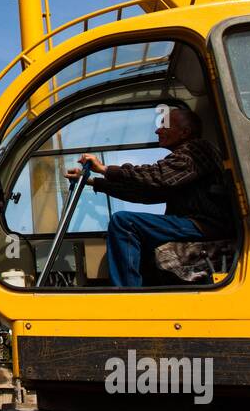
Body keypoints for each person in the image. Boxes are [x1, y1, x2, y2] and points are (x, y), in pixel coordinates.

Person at [67, 104, 232, 289]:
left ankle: (128, 295)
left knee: (124, 222)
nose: (157, 130)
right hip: (194, 223)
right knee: (137, 232)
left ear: (184, 132)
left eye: (165, 126)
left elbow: (158, 177)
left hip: (206, 224)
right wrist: (91, 181)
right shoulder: (182, 163)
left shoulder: (197, 150)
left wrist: (105, 169)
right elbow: (146, 192)